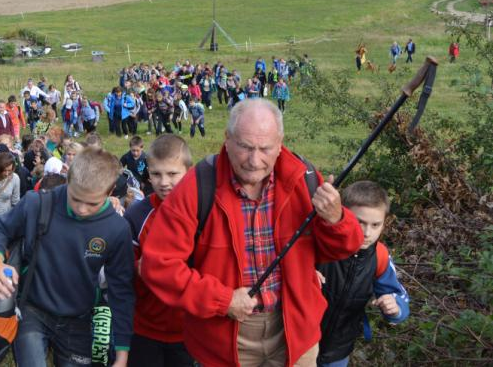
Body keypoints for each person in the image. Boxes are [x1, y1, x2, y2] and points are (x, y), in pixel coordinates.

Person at [141, 99, 363, 367]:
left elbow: (343, 248)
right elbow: (158, 266)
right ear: (227, 139)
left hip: (295, 333)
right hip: (224, 341)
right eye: (245, 147)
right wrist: (222, 300)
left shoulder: (303, 178)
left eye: (265, 148)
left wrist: (335, 219)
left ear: (280, 143)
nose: (254, 161)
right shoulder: (197, 186)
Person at [0, 147, 135, 367]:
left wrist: (122, 353)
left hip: (79, 319)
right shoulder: (38, 203)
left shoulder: (117, 229)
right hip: (32, 311)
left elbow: (121, 290)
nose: (82, 209)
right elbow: (0, 229)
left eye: (92, 203)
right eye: (75, 199)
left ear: (111, 190)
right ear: (68, 178)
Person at [317, 181, 410, 367]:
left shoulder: (380, 256)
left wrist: (395, 307)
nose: (367, 233)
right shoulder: (320, 244)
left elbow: (399, 296)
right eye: (360, 222)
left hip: (339, 350)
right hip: (300, 345)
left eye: (376, 225)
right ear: (342, 214)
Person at [124, 135, 195, 367]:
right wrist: (141, 268)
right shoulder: (137, 215)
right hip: (145, 328)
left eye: (173, 174)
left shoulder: (204, 212)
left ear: (188, 171)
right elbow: (121, 269)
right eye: (156, 174)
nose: (164, 182)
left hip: (190, 331)